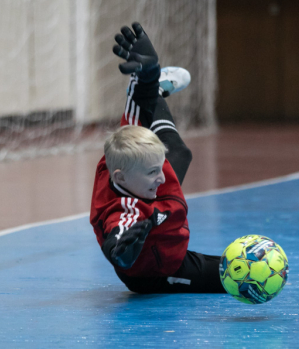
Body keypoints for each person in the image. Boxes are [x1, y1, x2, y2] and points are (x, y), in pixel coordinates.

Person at [89, 22, 225, 294]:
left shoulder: (130, 152)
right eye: (153, 172)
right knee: (230, 280)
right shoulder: (125, 211)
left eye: (159, 167)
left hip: (152, 201)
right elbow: (117, 234)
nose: (163, 178)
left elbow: (137, 106)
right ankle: (156, 92)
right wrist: (121, 253)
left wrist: (148, 74)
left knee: (179, 152)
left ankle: (157, 88)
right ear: (121, 178)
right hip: (158, 271)